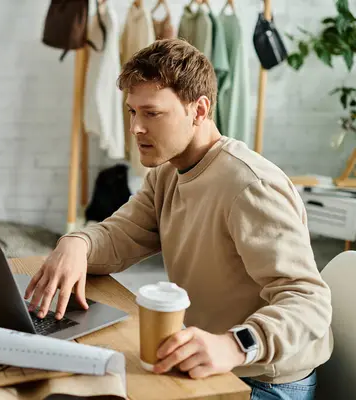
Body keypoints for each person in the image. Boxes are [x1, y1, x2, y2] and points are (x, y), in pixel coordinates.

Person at [24, 38, 332, 399]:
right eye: (132, 112)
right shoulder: (168, 172)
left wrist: (235, 345)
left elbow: (308, 299)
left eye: (151, 113)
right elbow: (124, 234)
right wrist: (77, 242)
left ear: (198, 111)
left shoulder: (251, 186)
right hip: (206, 361)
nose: (136, 128)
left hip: (261, 380)